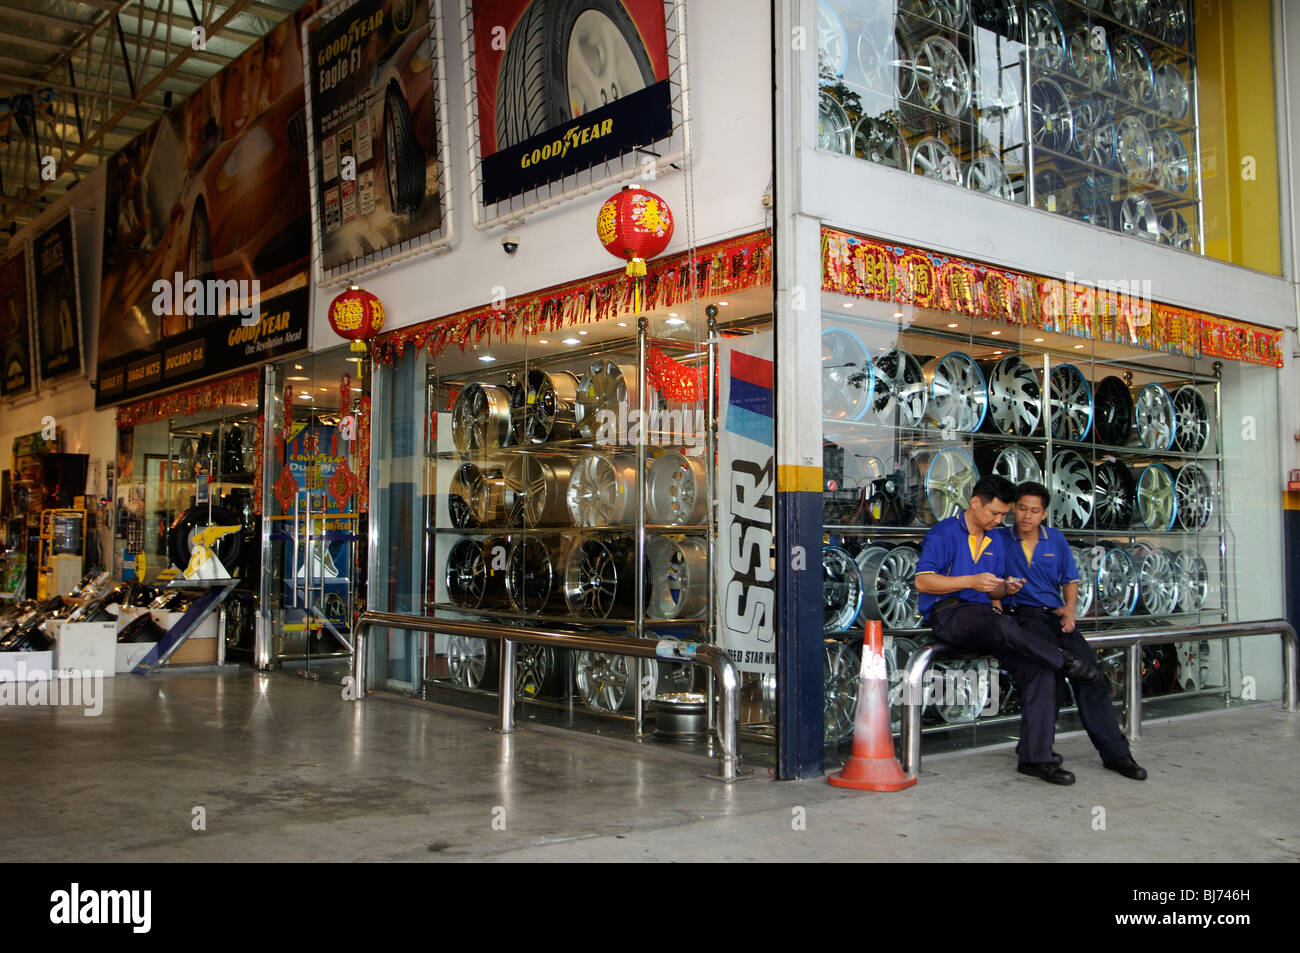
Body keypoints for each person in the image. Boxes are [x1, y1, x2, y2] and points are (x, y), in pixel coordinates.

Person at [914, 474, 1101, 785]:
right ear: (975, 503)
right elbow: (923, 581)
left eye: (1004, 514)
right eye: (995, 513)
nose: (1001, 520)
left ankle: (1035, 757)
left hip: (989, 620)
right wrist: (970, 581)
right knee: (999, 622)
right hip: (950, 615)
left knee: (1037, 670)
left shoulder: (995, 539)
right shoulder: (944, 532)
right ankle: (1064, 660)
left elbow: (994, 594)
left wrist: (1006, 589)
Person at [1000, 482, 1148, 781]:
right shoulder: (1000, 538)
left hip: (1055, 615)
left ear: (1044, 513)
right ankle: (1036, 752)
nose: (1028, 516)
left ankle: (1117, 754)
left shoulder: (1055, 539)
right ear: (1013, 508)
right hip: (1025, 617)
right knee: (1050, 675)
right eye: (1023, 509)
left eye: (1035, 511)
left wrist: (1070, 610)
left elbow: (1070, 579)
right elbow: (988, 579)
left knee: (1089, 673)